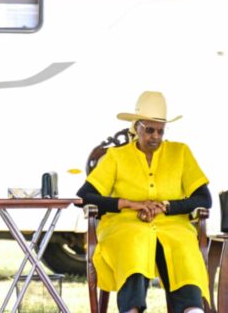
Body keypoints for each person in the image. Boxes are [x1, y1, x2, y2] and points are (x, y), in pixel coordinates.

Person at [77, 91, 211, 313]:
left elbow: (204, 199)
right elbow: (84, 196)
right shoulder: (116, 157)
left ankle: (192, 309)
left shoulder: (180, 153)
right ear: (135, 127)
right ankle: (132, 310)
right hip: (125, 226)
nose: (155, 137)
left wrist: (167, 206)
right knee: (134, 245)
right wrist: (129, 203)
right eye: (149, 130)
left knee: (183, 248)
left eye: (160, 131)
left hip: (173, 226)